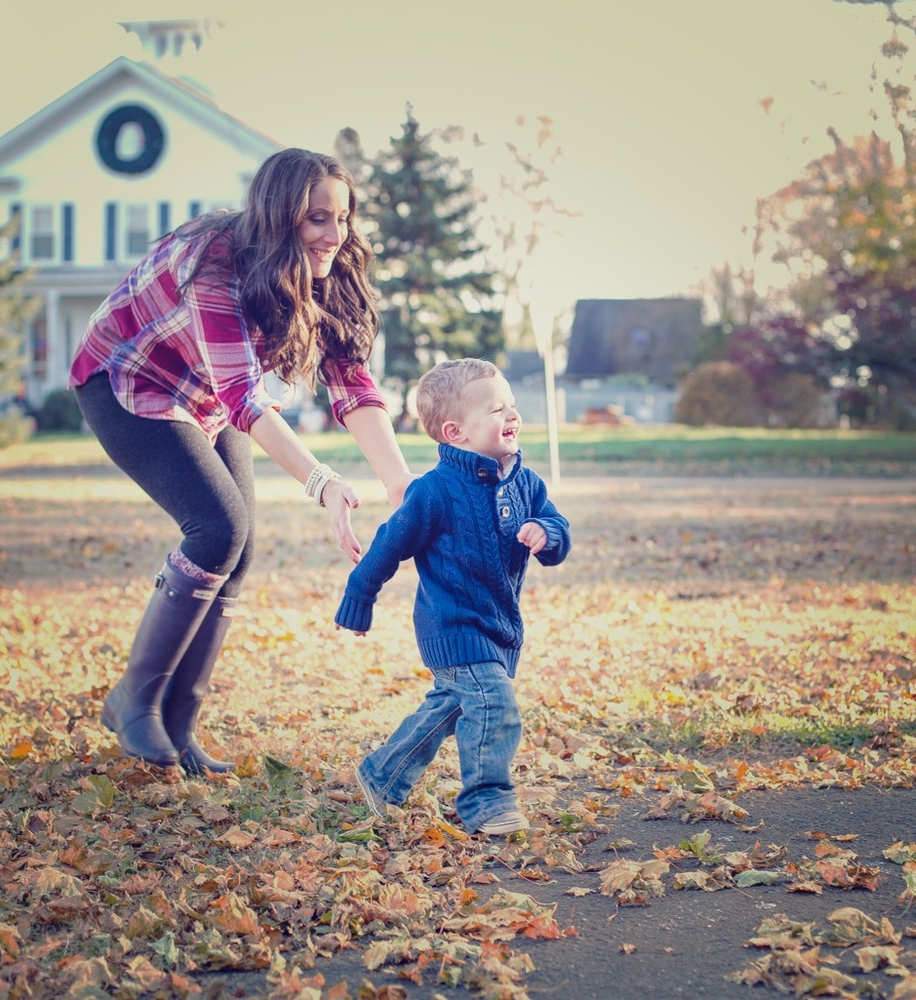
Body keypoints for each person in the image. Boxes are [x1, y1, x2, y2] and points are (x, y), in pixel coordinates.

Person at [70, 148, 413, 774]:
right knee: (217, 528)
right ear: (281, 218)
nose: (334, 235)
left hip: (202, 393)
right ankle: (133, 701)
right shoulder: (216, 263)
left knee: (241, 545)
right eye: (317, 220)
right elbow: (247, 400)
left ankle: (178, 727)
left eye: (343, 218)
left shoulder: (329, 272)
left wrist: (400, 482)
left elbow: (352, 383)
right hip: (125, 379)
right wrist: (322, 481)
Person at [334, 358, 571, 836]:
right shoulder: (434, 492)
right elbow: (389, 542)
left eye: (512, 406)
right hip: (452, 625)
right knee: (492, 703)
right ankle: (486, 802)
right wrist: (360, 593)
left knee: (452, 705)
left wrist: (546, 533)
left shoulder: (526, 483)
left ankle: (383, 776)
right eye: (496, 409)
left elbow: (559, 528)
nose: (511, 416)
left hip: (499, 624)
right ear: (455, 431)